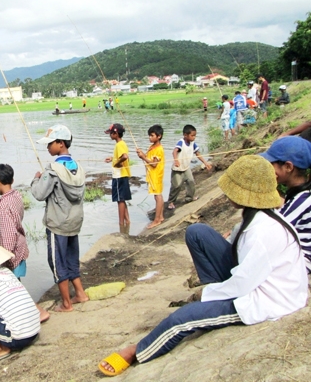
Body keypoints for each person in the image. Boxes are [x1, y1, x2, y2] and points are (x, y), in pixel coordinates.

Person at [98, 155, 307, 377]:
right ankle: (214, 301)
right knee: (198, 232)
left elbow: (243, 285)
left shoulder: (263, 232)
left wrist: (208, 294)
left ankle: (136, 351)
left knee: (181, 320)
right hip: (252, 279)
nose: (227, 194)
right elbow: (242, 257)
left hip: (266, 299)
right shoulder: (256, 216)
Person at [31, 124, 89, 312]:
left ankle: (66, 303)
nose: (47, 148)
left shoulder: (53, 170)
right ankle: (80, 293)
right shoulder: (78, 167)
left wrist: (36, 179)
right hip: (75, 222)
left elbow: (39, 194)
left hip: (58, 225)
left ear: (61, 143)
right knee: (72, 258)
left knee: (57, 262)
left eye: (50, 144)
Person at [0, 163, 50, 322]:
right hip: (21, 245)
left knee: (14, 287)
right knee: (16, 285)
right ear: (12, 179)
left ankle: (38, 312)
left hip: (12, 251)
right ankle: (22, 314)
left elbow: (8, 232)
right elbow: (6, 194)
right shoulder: (15, 195)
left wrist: (4, 256)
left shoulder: (4, 205)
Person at [260, 136, 311, 273]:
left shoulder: (302, 200)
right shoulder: (300, 194)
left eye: (272, 164)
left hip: (300, 266)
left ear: (288, 167)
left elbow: (272, 231)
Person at [167, 125, 212, 210]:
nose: (194, 137)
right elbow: (174, 151)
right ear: (185, 135)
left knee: (191, 181)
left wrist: (205, 163)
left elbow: (198, 154)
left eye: (195, 135)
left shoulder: (193, 144)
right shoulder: (181, 142)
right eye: (192, 135)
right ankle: (171, 202)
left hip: (186, 167)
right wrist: (176, 160)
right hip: (177, 168)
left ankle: (189, 198)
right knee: (176, 185)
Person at [136, 125, 165, 229]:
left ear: (159, 136)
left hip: (156, 175)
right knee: (157, 195)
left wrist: (143, 157)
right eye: (149, 135)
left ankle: (157, 220)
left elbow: (154, 164)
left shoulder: (159, 149)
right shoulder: (152, 147)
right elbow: (148, 158)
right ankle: (160, 217)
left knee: (158, 196)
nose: (150, 137)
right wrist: (142, 155)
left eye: (152, 135)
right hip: (152, 175)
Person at [104, 123, 131, 227]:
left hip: (119, 176)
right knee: (122, 199)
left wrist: (117, 163)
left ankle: (121, 223)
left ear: (115, 133)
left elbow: (124, 156)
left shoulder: (119, 144)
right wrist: (112, 158)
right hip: (121, 175)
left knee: (120, 200)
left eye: (110, 133)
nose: (110, 135)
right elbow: (121, 156)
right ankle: (127, 222)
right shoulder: (121, 144)